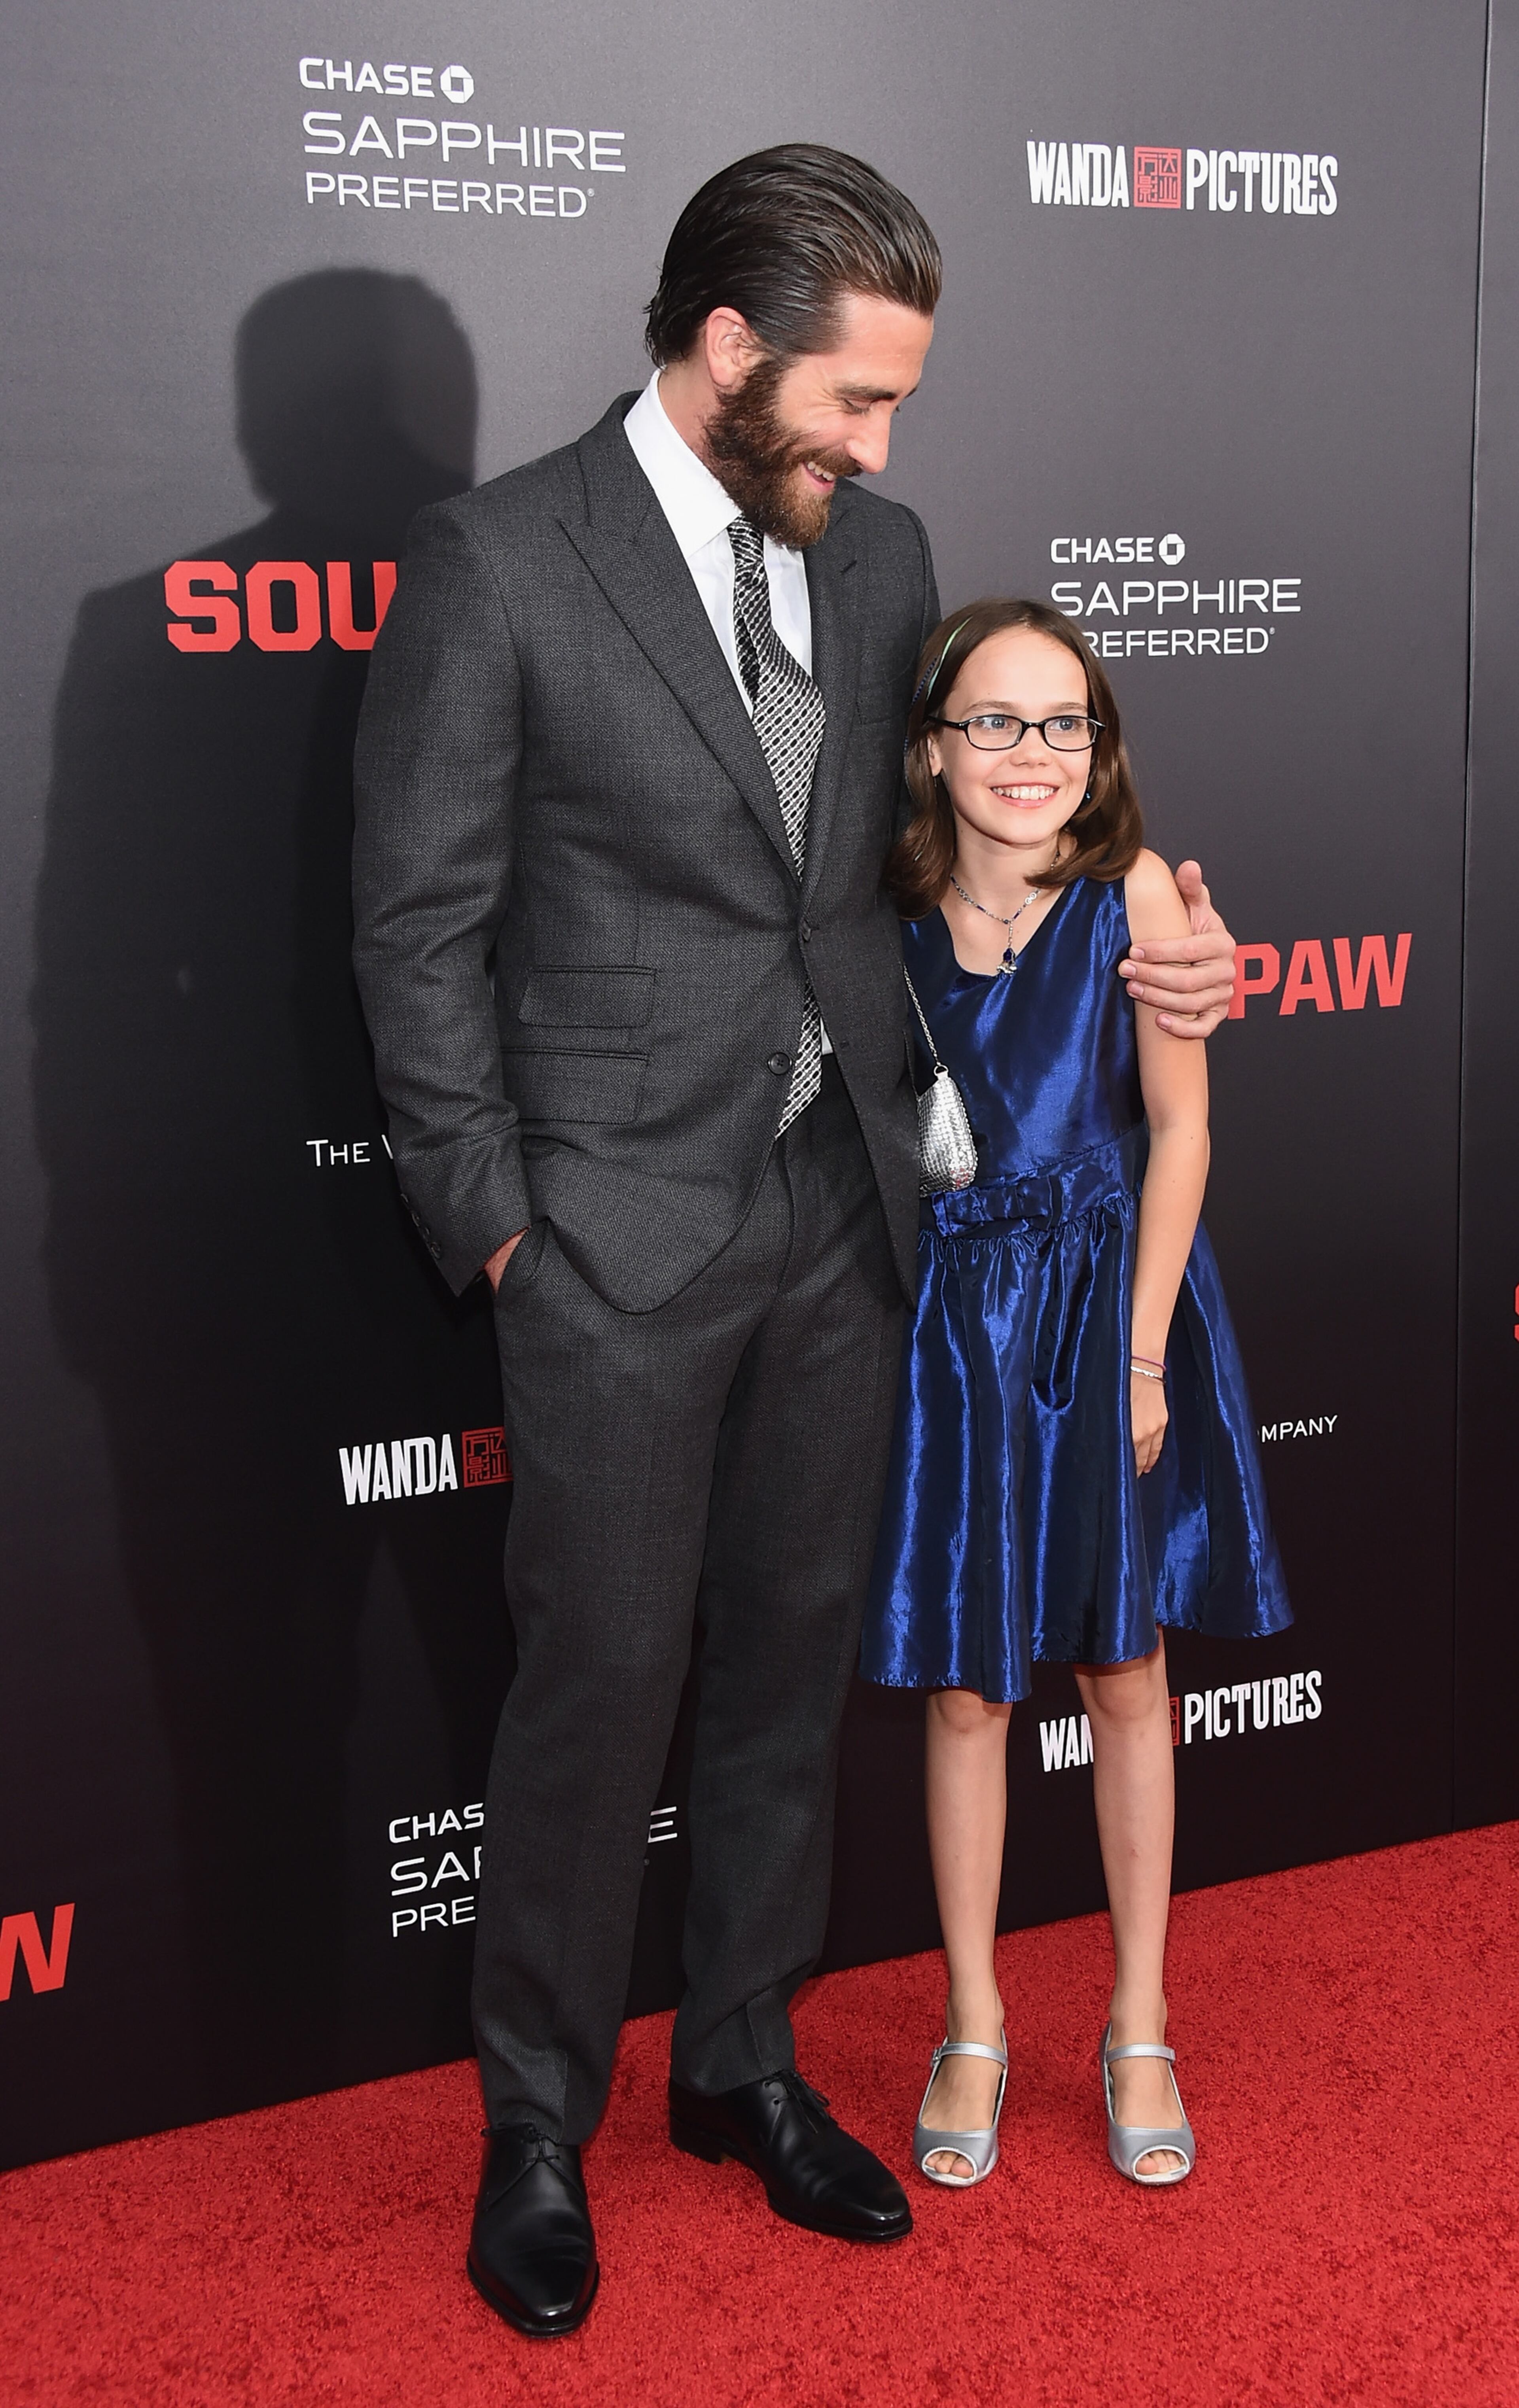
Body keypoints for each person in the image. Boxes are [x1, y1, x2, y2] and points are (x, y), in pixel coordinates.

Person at [351, 150, 1238, 2340]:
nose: (883, 447)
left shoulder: (890, 553)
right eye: (855, 399)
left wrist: (1154, 945)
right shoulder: (500, 564)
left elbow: (952, 844)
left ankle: (741, 2057)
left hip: (852, 1218)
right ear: (730, 353)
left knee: (781, 1674)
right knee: (599, 1682)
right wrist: (497, 1233)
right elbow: (419, 928)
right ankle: (539, 2116)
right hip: (607, 1236)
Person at [861, 598, 1289, 2191]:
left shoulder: (1135, 903)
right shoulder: (878, 917)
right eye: (995, 720)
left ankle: (1138, 2017)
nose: (1030, 753)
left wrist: (1140, 1353)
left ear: (1099, 749)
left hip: (1119, 1313)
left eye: (1063, 724)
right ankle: (972, 2017)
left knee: (1124, 1667)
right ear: (932, 746)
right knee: (969, 1685)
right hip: (952, 1332)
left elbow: (1178, 1133)